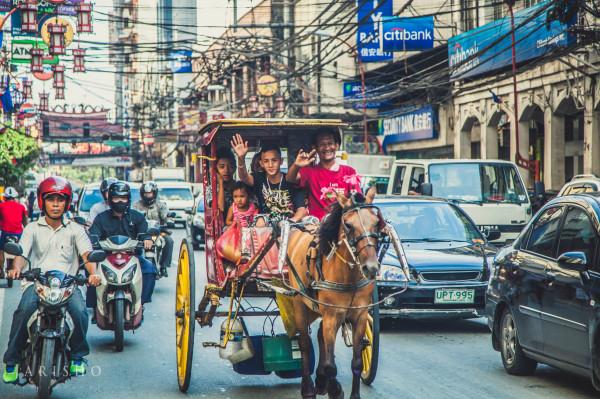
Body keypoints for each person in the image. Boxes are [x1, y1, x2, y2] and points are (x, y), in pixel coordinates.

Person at [2, 177, 101, 383]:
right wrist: (16, 269)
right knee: (22, 312)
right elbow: (21, 254)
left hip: (68, 285)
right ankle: (11, 361)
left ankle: (77, 356)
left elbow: (87, 256)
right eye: (51, 199)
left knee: (81, 313)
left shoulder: (76, 229)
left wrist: (93, 273)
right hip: (37, 284)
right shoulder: (32, 228)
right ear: (42, 201)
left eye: (60, 200)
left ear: (67, 203)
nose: (56, 204)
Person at [89, 181, 156, 306]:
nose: (120, 201)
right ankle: (95, 306)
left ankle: (141, 303)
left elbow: (145, 232)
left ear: (128, 199)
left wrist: (147, 239)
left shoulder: (137, 217)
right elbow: (93, 234)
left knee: (150, 270)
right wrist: (92, 242)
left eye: (123, 198)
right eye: (116, 198)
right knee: (91, 272)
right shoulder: (101, 218)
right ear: (110, 199)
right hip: (105, 257)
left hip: (132, 256)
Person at [287, 129, 362, 220]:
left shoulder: (349, 172)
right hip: (317, 227)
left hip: (343, 227)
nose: (327, 148)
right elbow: (290, 179)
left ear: (337, 146)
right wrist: (296, 165)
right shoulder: (309, 172)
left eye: (330, 143)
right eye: (322, 144)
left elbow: (359, 201)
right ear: (315, 148)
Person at [231, 135, 307, 222]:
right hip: (264, 226)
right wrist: (241, 158)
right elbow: (244, 177)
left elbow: (302, 210)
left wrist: (290, 222)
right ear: (261, 163)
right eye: (266, 161)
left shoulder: (290, 179)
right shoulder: (259, 178)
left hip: (289, 226)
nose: (270, 165)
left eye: (274, 160)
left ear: (281, 161)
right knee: (260, 222)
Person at [133, 181, 174, 277]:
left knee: (169, 240)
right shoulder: (136, 205)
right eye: (145, 194)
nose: (147, 196)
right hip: (141, 234)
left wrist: (168, 219)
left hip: (157, 233)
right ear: (142, 194)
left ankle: (163, 267)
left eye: (149, 193)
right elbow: (132, 216)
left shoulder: (160, 205)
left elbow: (166, 215)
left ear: (154, 194)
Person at [0, 187, 28, 274]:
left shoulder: (1, 206)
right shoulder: (21, 206)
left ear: (5, 197)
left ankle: (1, 270)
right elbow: (25, 221)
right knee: (21, 251)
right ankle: (18, 268)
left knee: (0, 250)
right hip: (18, 233)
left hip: (4, 233)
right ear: (15, 197)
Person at [216, 148, 236, 217]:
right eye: (222, 167)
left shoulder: (239, 186)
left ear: (234, 168)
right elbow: (221, 208)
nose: (226, 170)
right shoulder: (212, 189)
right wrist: (221, 184)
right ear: (216, 169)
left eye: (230, 166)